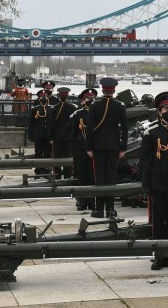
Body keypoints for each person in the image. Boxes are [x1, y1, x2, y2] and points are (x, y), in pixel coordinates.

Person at [139, 90, 168, 270]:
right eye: (166, 108)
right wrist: (146, 183)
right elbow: (145, 161)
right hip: (158, 182)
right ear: (159, 110)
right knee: (158, 221)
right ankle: (158, 255)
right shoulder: (151, 132)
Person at [86, 77, 127, 218]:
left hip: (97, 145)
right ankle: (110, 209)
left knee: (99, 177)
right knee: (111, 177)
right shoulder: (120, 106)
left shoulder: (94, 105)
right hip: (114, 146)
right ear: (114, 90)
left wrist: (89, 147)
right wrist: (123, 148)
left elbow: (90, 128)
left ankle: (99, 208)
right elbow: (124, 129)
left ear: (102, 89)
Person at [70, 87, 97, 210]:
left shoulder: (98, 113)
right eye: (88, 98)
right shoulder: (78, 114)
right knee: (81, 176)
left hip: (94, 150)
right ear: (83, 100)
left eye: (92, 98)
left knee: (93, 176)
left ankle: (92, 201)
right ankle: (81, 201)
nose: (91, 100)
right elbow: (73, 134)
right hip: (80, 149)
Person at [50, 86, 77, 178]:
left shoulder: (54, 108)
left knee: (57, 158)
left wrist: (51, 137)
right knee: (68, 157)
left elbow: (51, 124)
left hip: (57, 137)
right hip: (69, 137)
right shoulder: (73, 108)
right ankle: (67, 176)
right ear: (68, 95)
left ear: (58, 96)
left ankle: (57, 176)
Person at [27, 88, 54, 174]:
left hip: (48, 134)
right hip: (38, 134)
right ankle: (38, 168)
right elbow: (31, 123)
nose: (44, 98)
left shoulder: (51, 108)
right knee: (38, 152)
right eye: (42, 97)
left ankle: (46, 168)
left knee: (47, 152)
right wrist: (31, 135)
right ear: (39, 98)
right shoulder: (35, 109)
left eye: (45, 96)